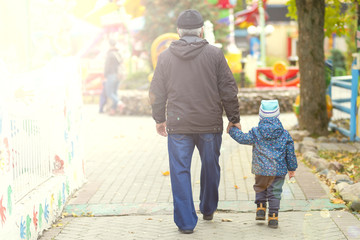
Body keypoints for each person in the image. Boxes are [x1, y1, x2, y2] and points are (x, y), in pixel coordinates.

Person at [149, 9, 240, 234]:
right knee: (211, 166)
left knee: (180, 171)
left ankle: (186, 223)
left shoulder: (165, 57)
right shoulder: (215, 54)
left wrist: (160, 119)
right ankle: (208, 208)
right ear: (201, 31)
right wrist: (234, 119)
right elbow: (228, 89)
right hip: (209, 123)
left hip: (178, 124)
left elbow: (156, 92)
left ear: (178, 31)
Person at [228, 99, 298, 228]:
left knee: (260, 187)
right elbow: (290, 153)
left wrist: (232, 129)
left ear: (261, 115)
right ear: (278, 115)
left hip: (260, 169)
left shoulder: (256, 132)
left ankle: (260, 209)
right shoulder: (284, 134)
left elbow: (243, 138)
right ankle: (273, 217)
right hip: (278, 170)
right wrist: (292, 168)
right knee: (275, 192)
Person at [99, 39, 125, 115]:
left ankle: (120, 103)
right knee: (114, 93)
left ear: (109, 45)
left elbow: (106, 66)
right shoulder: (119, 53)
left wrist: (105, 75)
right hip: (118, 75)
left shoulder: (109, 54)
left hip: (111, 75)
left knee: (109, 93)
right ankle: (113, 110)